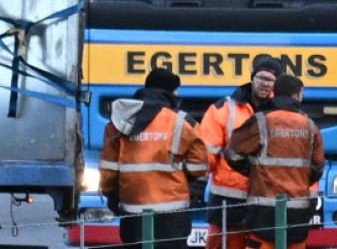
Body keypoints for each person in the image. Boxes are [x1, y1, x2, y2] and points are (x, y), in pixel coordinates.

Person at [99, 68, 208, 249]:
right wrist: (180, 179)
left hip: (132, 208)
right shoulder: (181, 121)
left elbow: (109, 168)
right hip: (173, 211)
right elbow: (199, 165)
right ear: (171, 91)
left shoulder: (121, 120)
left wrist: (112, 195)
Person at [224, 74, 325, 249]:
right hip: (297, 211)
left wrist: (253, 170)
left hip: (262, 211)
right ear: (297, 95)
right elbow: (317, 167)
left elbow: (233, 154)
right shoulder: (309, 125)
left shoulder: (261, 121)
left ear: (274, 93)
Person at [199, 55, 284, 249]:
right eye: (261, 78)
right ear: (252, 78)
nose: (265, 84)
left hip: (265, 195)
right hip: (228, 197)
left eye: (271, 80)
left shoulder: (282, 112)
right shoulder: (223, 109)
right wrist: (197, 186)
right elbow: (207, 152)